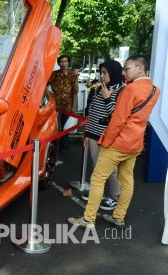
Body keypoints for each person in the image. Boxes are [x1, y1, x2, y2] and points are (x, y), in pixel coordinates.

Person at [68, 55, 161, 229]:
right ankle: (118, 217)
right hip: (135, 143)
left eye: (127, 68)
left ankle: (88, 219)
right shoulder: (155, 90)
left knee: (98, 178)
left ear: (140, 68)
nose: (124, 72)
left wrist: (106, 141)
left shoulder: (129, 90)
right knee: (127, 180)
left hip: (119, 142)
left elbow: (118, 120)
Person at [82, 60, 125, 211]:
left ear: (114, 73)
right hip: (94, 134)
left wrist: (107, 98)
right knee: (96, 167)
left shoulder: (122, 90)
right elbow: (92, 112)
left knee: (111, 170)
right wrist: (87, 134)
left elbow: (118, 117)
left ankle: (115, 197)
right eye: (101, 72)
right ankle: (96, 194)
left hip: (109, 136)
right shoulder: (97, 89)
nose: (102, 76)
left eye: (105, 73)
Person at [48, 54, 79, 154]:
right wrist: (50, 94)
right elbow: (44, 85)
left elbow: (75, 92)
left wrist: (74, 106)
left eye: (65, 61)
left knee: (65, 127)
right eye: (61, 61)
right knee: (55, 126)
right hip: (54, 105)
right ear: (58, 63)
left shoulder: (73, 75)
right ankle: (53, 146)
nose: (64, 63)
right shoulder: (53, 74)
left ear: (68, 62)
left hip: (67, 106)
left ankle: (64, 147)